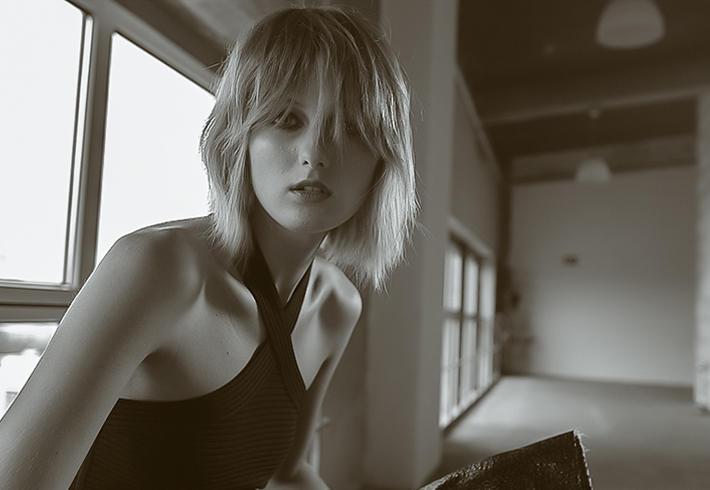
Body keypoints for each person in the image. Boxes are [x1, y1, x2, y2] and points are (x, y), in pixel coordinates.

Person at [0, 5, 417, 490]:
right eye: (286, 119)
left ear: (383, 161)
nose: (314, 153)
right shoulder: (154, 270)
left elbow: (288, 474)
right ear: (239, 136)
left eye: (349, 127)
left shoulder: (336, 306)